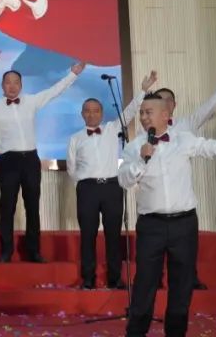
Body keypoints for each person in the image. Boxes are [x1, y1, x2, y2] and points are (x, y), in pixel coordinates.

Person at [119, 92, 216, 337]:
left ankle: (176, 333)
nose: (144, 117)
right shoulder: (133, 147)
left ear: (165, 115)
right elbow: (124, 180)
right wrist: (141, 160)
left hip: (184, 224)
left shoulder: (183, 139)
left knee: (182, 283)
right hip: (151, 225)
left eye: (149, 112)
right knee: (145, 282)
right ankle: (136, 332)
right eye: (142, 113)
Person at [0, 61, 86, 263]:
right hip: (9, 160)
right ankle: (6, 251)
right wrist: (0, 151)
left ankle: (33, 251)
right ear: (2, 86)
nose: (12, 86)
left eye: (16, 82)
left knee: (32, 206)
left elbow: (54, 91)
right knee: (7, 207)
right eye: (8, 82)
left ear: (21, 85)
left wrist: (73, 74)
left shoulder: (32, 101)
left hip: (31, 159)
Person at [146, 68, 216, 290]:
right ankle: (155, 279)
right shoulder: (147, 129)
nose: (164, 103)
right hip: (154, 196)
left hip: (180, 193)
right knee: (155, 244)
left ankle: (190, 278)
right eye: (160, 99)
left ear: (174, 105)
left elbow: (207, 109)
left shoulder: (185, 125)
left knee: (185, 243)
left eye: (168, 100)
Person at [66, 71, 156, 289]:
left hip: (112, 187)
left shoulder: (112, 129)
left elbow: (130, 111)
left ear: (102, 113)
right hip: (87, 189)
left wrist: (143, 91)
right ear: (82, 114)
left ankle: (115, 279)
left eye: (95, 111)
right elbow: (71, 168)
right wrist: (84, 183)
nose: (91, 114)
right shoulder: (75, 138)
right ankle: (88, 279)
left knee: (113, 235)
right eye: (87, 111)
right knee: (88, 235)